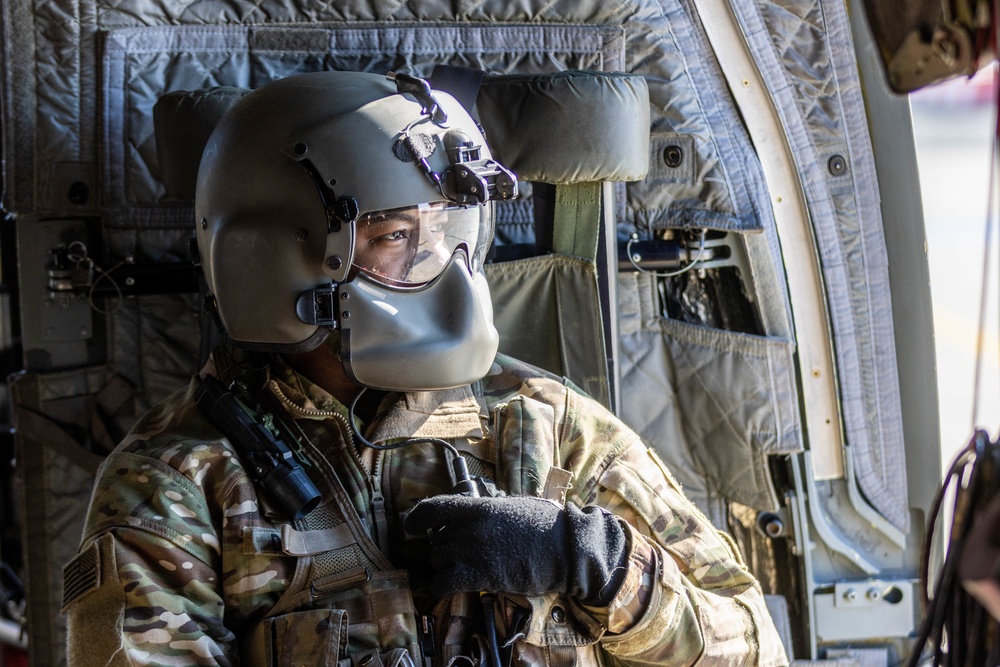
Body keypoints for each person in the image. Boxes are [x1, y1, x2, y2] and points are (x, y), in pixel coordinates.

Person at [62, 70, 788, 666]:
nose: (438, 263)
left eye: (446, 231)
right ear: (277, 256)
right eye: (396, 234)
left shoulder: (542, 423)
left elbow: (752, 645)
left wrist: (593, 559)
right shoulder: (177, 480)